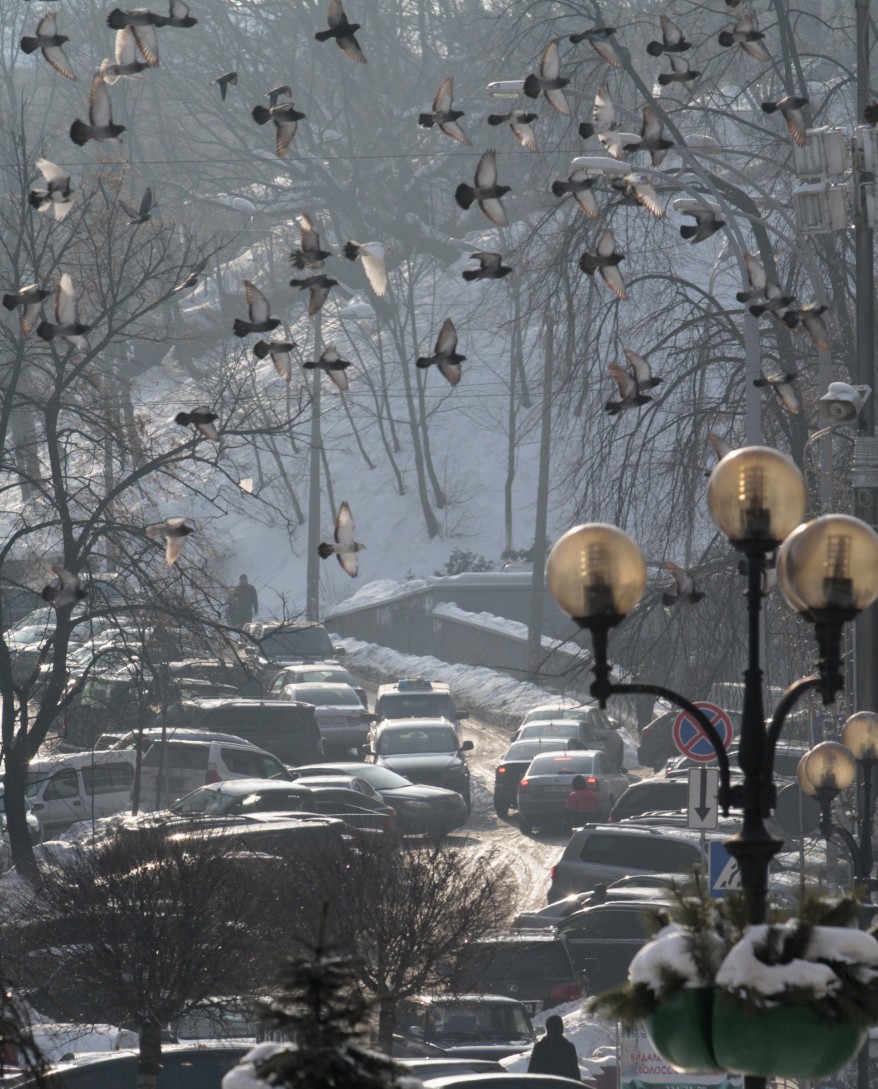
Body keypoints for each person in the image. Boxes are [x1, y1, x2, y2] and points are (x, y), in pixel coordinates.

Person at [527, 1014, 581, 1081]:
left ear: (547, 1029)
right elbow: (575, 1074)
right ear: (561, 1029)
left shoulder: (539, 1047)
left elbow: (531, 1073)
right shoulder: (568, 1048)